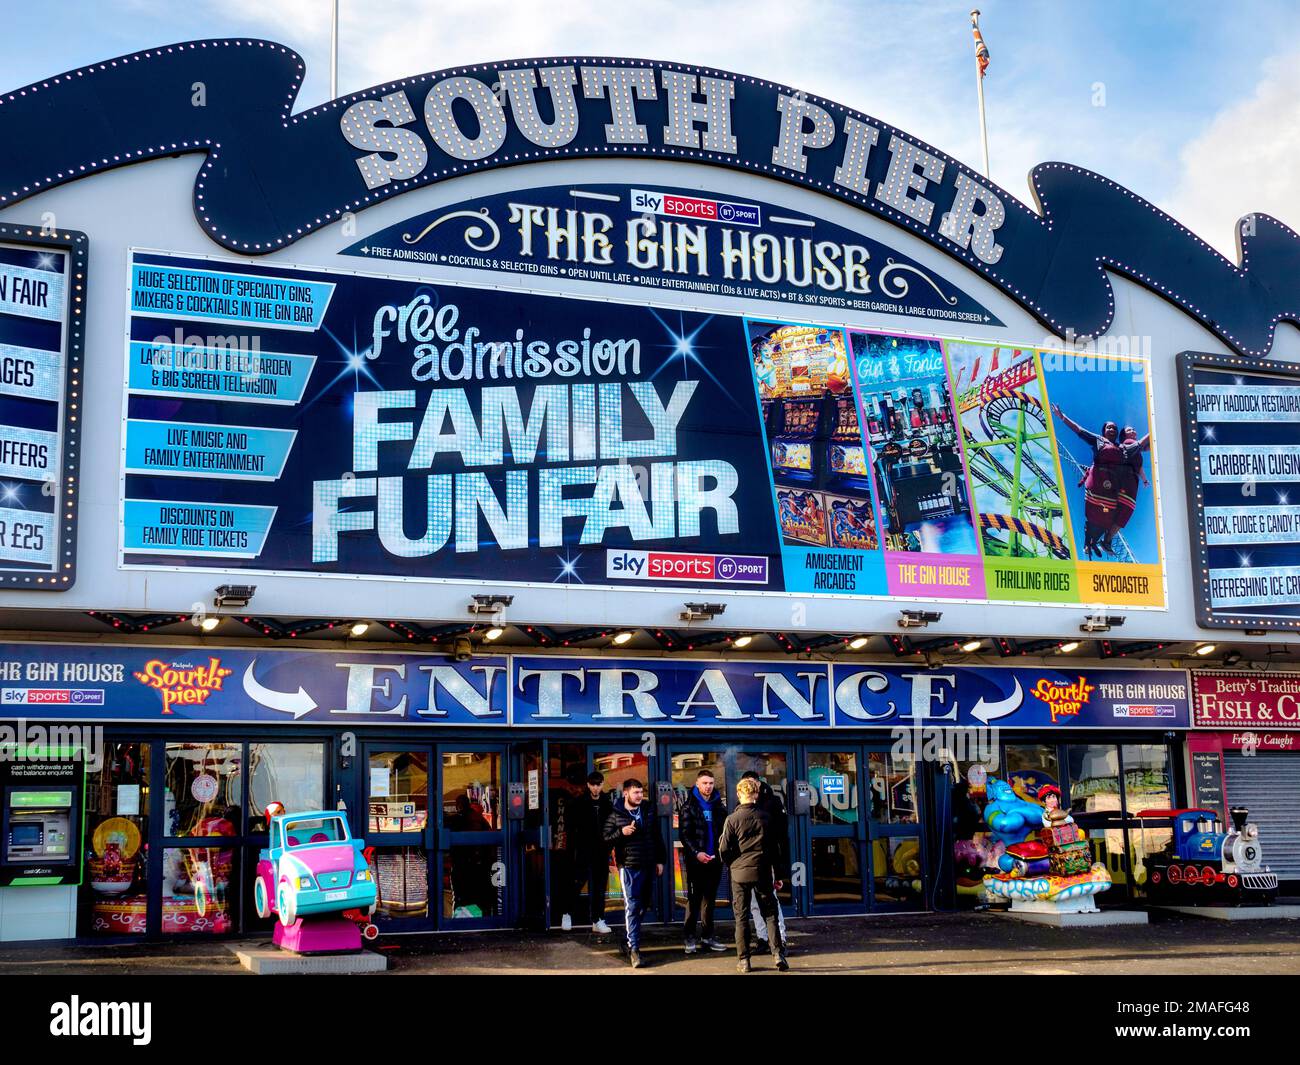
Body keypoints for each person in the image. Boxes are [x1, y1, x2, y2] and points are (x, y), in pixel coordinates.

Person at [718, 776, 788, 973]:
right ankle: (778, 954)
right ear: (756, 794)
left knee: (741, 918)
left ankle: (744, 960)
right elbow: (775, 848)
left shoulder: (732, 819)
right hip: (763, 871)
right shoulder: (766, 817)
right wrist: (779, 874)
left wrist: (734, 864)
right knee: (770, 914)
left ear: (739, 794)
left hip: (740, 874)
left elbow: (723, 849)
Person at [603, 778, 665, 969]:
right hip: (629, 866)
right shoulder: (615, 813)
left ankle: (628, 940)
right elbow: (605, 839)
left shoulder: (648, 809)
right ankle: (635, 949)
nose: (639, 796)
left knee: (643, 905)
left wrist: (660, 860)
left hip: (648, 864)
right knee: (632, 905)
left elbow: (656, 835)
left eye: (641, 792)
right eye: (635, 792)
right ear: (626, 794)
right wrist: (622, 832)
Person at [677, 769, 728, 953]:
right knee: (694, 900)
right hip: (696, 862)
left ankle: (707, 937)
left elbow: (725, 833)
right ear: (697, 784)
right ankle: (689, 937)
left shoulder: (718, 806)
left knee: (710, 901)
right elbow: (685, 835)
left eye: (711, 783)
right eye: (705, 783)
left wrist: (720, 853)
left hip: (715, 860)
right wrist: (696, 853)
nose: (708, 786)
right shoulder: (689, 806)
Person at [740, 770, 790, 950]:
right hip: (748, 862)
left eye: (752, 783)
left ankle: (780, 939)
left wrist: (781, 864)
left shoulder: (772, 802)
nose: (749, 787)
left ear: (758, 783)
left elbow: (781, 835)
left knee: (770, 901)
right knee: (753, 902)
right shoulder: (742, 807)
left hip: (767, 860)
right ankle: (762, 938)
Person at [560, 771, 613, 933]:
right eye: (593, 785)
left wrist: (608, 846)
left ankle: (598, 919)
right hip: (582, 849)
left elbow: (611, 826)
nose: (596, 788)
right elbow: (569, 828)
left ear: (603, 784)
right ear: (588, 785)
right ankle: (566, 913)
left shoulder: (607, 803)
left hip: (601, 851)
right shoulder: (577, 803)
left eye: (599, 785)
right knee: (577, 882)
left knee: (599, 886)